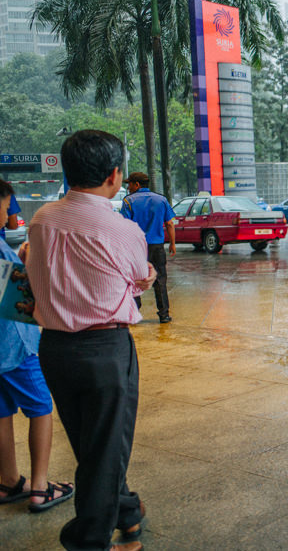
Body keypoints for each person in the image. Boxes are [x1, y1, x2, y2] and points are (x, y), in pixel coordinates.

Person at [27, 130, 155, 551]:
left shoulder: (43, 219)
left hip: (55, 349)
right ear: (115, 175)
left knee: (92, 444)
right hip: (106, 351)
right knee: (103, 448)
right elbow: (138, 279)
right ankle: (89, 541)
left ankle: (128, 512)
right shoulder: (124, 231)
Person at [0, 180, 74, 513]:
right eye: (5, 208)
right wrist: (29, 268)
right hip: (13, 348)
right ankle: (41, 487)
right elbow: (19, 301)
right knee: (41, 408)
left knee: (1, 412)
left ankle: (8, 480)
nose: (8, 215)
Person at [120, 172, 176, 323]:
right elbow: (170, 223)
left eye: (129, 184)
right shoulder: (161, 199)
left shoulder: (128, 201)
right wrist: (172, 243)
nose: (128, 187)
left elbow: (124, 226)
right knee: (160, 280)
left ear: (137, 185)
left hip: (136, 247)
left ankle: (134, 313)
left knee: (134, 279)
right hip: (157, 247)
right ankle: (164, 314)